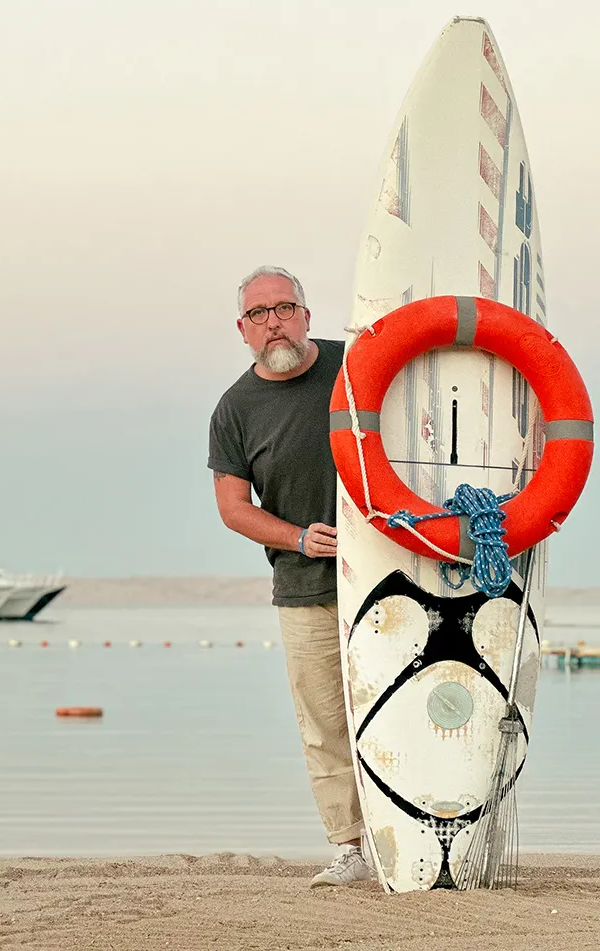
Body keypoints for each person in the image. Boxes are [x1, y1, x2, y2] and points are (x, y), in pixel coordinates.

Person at [207, 265, 373, 888]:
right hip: (304, 589)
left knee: (392, 702)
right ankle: (351, 848)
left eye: (284, 307)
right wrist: (299, 537)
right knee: (325, 720)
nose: (272, 320)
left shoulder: (357, 365)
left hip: (389, 574)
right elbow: (232, 508)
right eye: (258, 313)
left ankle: (415, 830)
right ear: (243, 330)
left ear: (307, 314)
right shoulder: (235, 409)